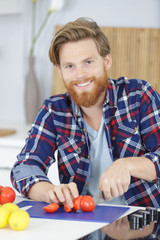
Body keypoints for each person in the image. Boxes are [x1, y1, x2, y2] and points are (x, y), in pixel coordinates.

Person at [11, 17, 160, 208]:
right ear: (60, 71)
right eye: (70, 66)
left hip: (144, 226)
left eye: (88, 62)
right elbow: (24, 167)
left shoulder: (139, 95)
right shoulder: (53, 111)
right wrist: (49, 191)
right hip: (82, 224)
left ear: (106, 60)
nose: (80, 74)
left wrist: (128, 164)